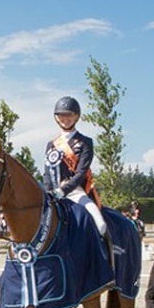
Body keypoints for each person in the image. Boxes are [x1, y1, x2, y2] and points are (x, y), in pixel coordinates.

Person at [43, 96, 106, 236]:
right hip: (53, 192)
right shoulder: (51, 145)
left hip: (76, 191)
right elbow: (47, 172)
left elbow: (81, 172)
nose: (65, 119)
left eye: (70, 115)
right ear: (56, 118)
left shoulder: (85, 142)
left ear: (77, 116)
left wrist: (63, 190)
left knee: (100, 224)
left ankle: (103, 255)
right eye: (61, 115)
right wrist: (49, 191)